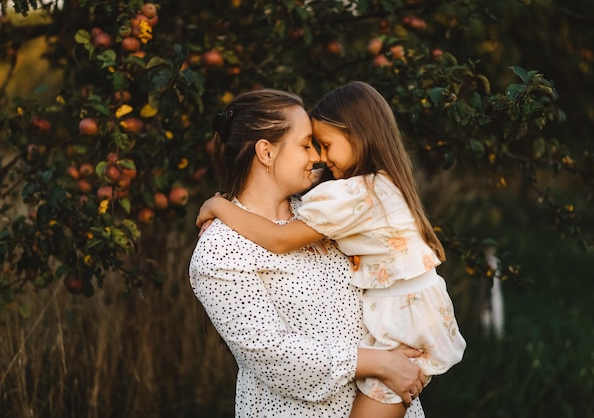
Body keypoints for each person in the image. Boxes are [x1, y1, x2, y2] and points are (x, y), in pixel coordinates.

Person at [196, 81, 466, 418]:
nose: (317, 157)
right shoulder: (222, 248)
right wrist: (380, 363)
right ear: (265, 152)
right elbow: (271, 354)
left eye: (319, 144)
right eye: (307, 144)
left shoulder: (327, 211)